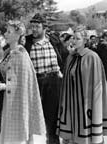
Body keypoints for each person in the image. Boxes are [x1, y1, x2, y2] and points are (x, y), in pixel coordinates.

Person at [57, 25, 107, 144]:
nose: (73, 41)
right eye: (73, 38)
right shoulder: (70, 57)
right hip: (72, 103)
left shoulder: (92, 57)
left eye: (77, 38)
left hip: (87, 104)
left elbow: (97, 86)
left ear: (85, 40)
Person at [0, 20, 46, 144]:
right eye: (6, 31)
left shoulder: (21, 54)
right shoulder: (8, 52)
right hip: (7, 100)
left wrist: (6, 85)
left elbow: (24, 82)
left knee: (15, 138)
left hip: (16, 103)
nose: (5, 34)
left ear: (18, 35)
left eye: (9, 32)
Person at [25, 13, 62, 144]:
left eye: (37, 26)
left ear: (44, 27)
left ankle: (52, 141)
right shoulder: (26, 42)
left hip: (53, 83)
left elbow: (64, 57)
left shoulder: (54, 41)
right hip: (35, 83)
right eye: (32, 26)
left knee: (52, 118)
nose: (34, 29)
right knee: (29, 118)